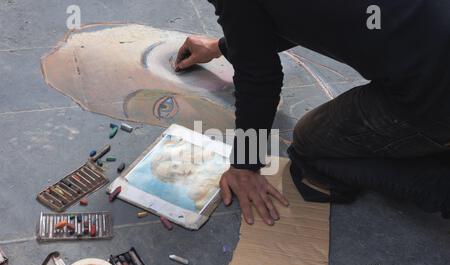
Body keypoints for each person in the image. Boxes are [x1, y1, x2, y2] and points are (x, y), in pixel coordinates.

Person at [175, 0, 450, 226]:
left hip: (433, 95)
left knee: (311, 147)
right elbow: (312, 13)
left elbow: (259, 79)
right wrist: (226, 46)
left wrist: (245, 166)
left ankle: (440, 189)